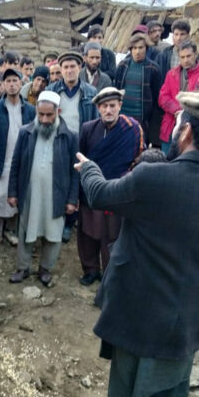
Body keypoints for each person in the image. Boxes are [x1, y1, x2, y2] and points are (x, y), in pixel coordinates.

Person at [75, 91, 199, 395]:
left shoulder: (151, 177)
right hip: (182, 324)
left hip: (132, 316)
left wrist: (89, 168)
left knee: (125, 386)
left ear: (186, 132)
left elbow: (99, 194)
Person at [8, 91, 79, 285]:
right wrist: (12, 192)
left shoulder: (70, 136)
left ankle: (45, 269)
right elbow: (15, 164)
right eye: (41, 114)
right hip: (30, 193)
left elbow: (75, 172)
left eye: (49, 115)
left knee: (53, 233)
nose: (45, 119)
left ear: (59, 111)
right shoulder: (26, 132)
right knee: (25, 231)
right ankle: (23, 269)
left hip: (56, 195)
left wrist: (72, 199)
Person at [76, 87, 144, 286]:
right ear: (98, 108)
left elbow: (139, 159)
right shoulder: (88, 129)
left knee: (112, 235)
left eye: (112, 106)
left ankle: (109, 273)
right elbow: (80, 159)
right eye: (104, 106)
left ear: (120, 106)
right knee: (87, 232)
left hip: (117, 192)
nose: (108, 110)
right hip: (91, 189)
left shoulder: (132, 128)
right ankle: (90, 269)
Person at [46, 51, 98, 242]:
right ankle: (56, 220)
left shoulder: (90, 93)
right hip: (56, 142)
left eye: (73, 67)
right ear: (60, 69)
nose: (69, 71)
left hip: (80, 143)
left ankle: (70, 222)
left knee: (76, 183)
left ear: (80, 68)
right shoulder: (52, 92)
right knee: (58, 182)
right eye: (65, 67)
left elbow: (94, 121)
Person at [0, 69, 35, 248]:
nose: (12, 84)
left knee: (16, 196)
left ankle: (11, 230)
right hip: (0, 160)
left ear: (21, 83)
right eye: (8, 81)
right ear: (4, 85)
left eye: (15, 81)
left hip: (20, 162)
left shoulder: (30, 110)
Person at [158, 40, 199, 154]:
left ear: (195, 54)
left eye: (189, 56)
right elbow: (163, 97)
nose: (186, 60)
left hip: (193, 128)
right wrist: (177, 110)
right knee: (166, 161)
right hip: (170, 124)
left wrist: (186, 112)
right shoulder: (172, 74)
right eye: (182, 57)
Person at [113, 33, 162, 146]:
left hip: (142, 119)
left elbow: (156, 98)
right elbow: (117, 90)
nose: (137, 51)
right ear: (130, 49)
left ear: (146, 49)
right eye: (134, 48)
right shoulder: (122, 66)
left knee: (139, 148)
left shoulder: (153, 68)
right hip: (123, 116)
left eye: (141, 47)